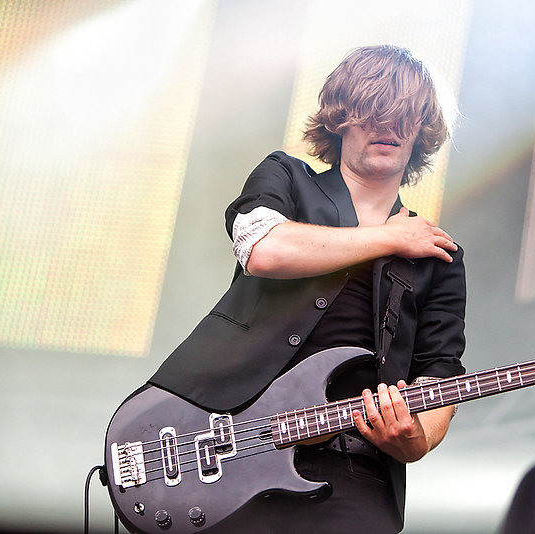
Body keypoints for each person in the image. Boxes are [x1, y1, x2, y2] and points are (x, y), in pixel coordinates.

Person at [150, 45, 466, 533]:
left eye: (404, 115)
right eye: (372, 110)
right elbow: (262, 248)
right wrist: (390, 237)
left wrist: (415, 440)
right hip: (228, 447)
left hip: (355, 473)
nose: (388, 125)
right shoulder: (286, 177)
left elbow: (439, 370)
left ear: (422, 131)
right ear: (340, 120)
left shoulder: (436, 254)